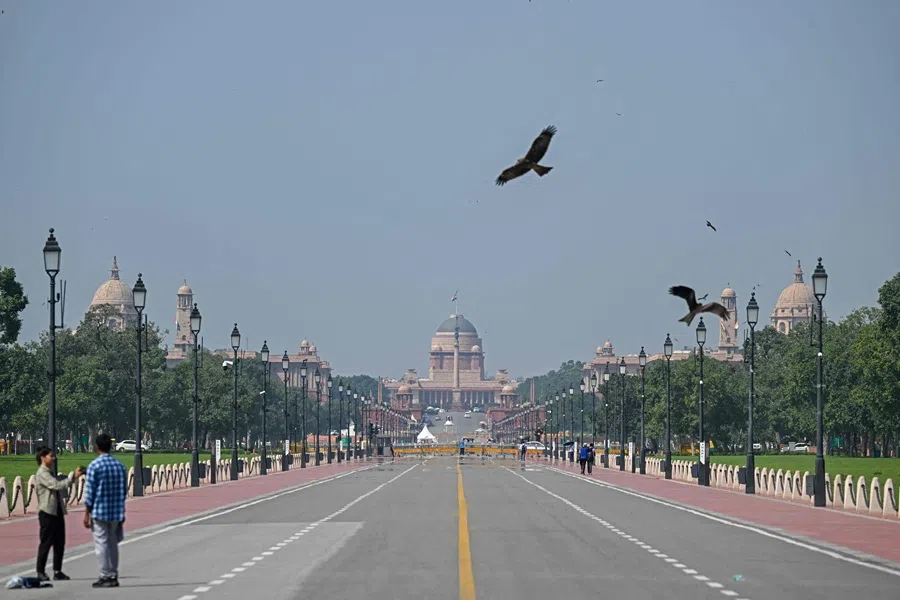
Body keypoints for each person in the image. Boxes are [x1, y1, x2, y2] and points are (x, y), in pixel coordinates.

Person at [83, 433, 127, 588]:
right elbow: (123, 492)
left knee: (101, 543)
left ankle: (105, 575)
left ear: (97, 447)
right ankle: (113, 574)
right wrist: (122, 511)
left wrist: (86, 514)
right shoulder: (120, 466)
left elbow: (90, 494)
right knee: (113, 543)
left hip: (99, 511)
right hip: (116, 511)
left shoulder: (95, 466)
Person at [34, 447, 83, 581]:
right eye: (51, 456)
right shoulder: (42, 473)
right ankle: (40, 571)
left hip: (57, 511)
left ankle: (57, 571)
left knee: (59, 542)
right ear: (43, 458)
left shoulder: (49, 472)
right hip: (47, 512)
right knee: (46, 542)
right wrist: (73, 476)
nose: (54, 458)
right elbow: (56, 485)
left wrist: (72, 477)